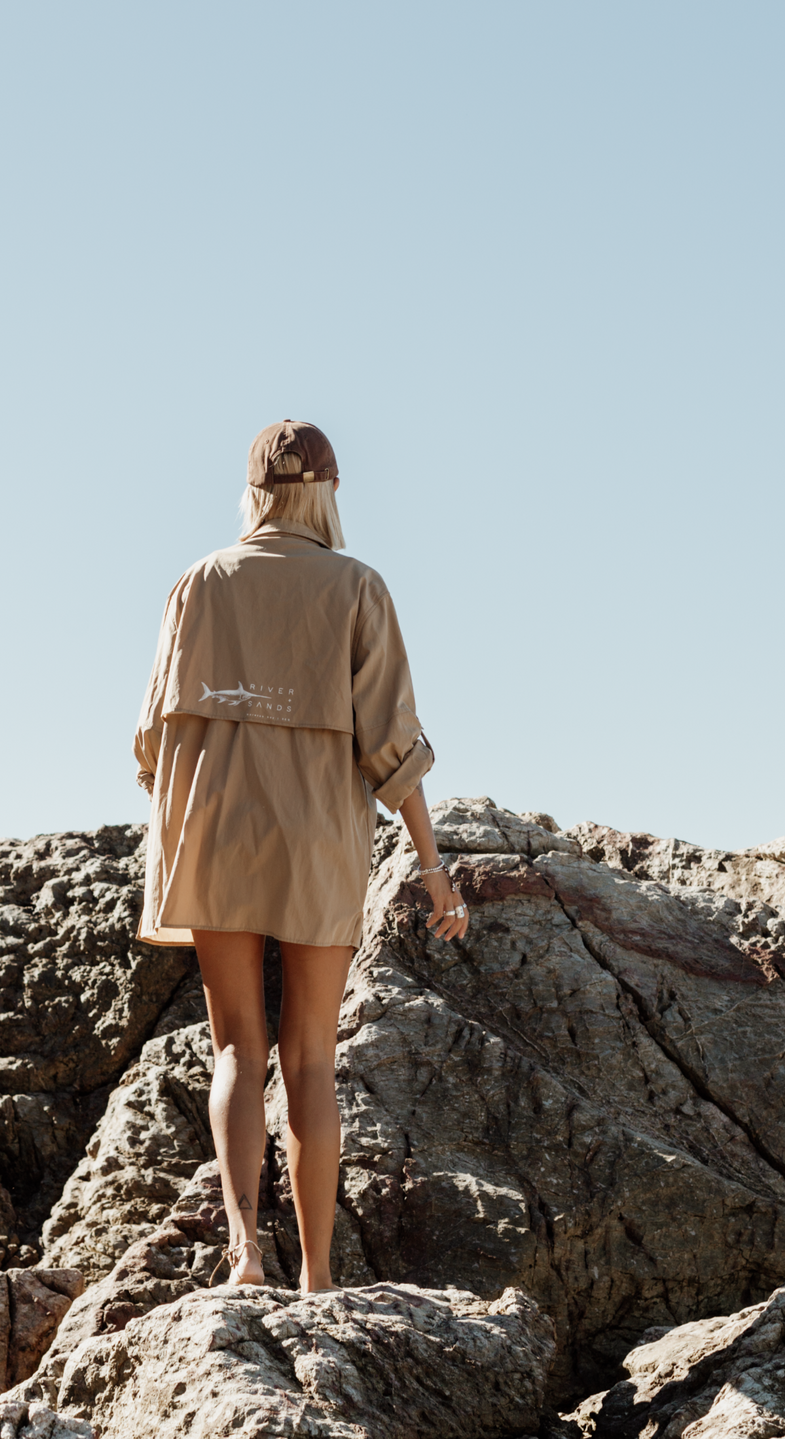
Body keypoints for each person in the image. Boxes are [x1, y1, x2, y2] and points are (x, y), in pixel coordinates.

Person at [133, 418, 468, 1293]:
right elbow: (391, 743)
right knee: (309, 1056)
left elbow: (147, 740)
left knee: (236, 1050)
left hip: (214, 830)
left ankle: (244, 1255)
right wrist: (432, 867)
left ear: (253, 490)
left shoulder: (196, 583)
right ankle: (317, 1277)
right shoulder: (356, 586)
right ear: (326, 490)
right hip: (319, 833)